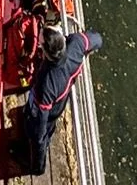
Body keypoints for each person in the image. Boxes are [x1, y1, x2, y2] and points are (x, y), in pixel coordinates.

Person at [21, 25, 104, 175]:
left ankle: (37, 167)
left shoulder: (46, 83)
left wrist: (39, 138)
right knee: (48, 126)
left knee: (38, 133)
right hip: (60, 101)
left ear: (45, 51)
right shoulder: (77, 43)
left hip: (48, 111)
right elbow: (97, 39)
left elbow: (41, 120)